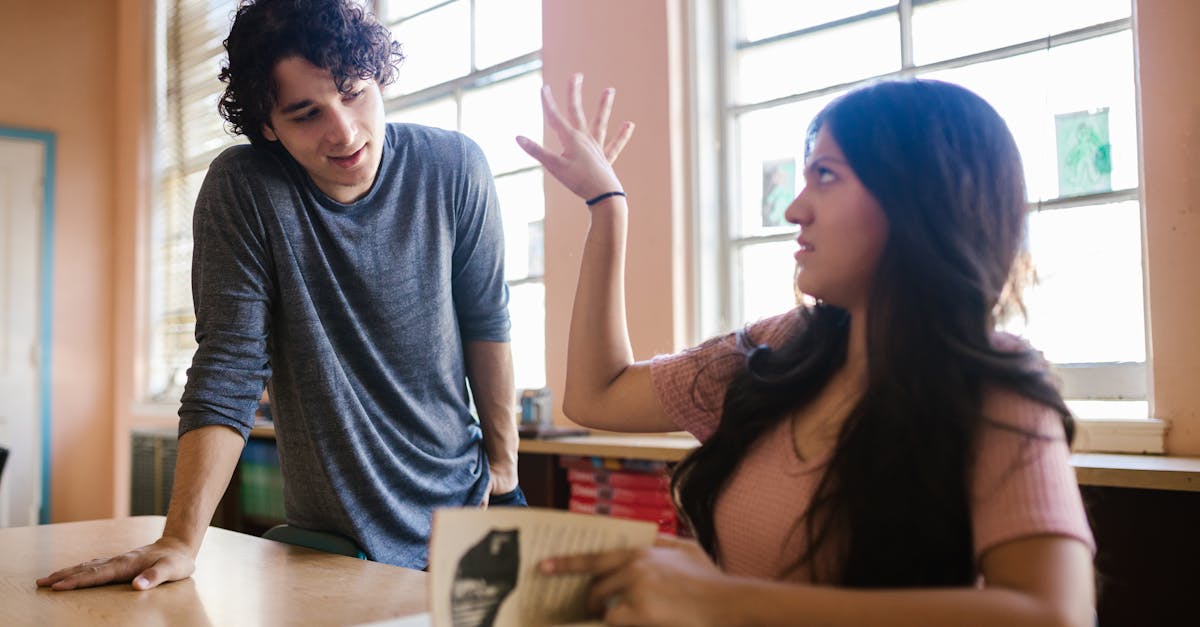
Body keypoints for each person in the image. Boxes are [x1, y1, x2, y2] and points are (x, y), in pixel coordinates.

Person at [516, 76, 1096, 626]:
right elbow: (599, 394)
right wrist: (606, 205)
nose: (795, 209)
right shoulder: (780, 348)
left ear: (916, 196)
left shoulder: (991, 384)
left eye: (825, 176)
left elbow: (1055, 615)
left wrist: (725, 602)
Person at [38, 0, 520, 590]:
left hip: (471, 514)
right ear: (268, 125)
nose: (343, 131)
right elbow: (230, 363)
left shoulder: (454, 167)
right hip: (338, 546)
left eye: (354, 93)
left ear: (380, 78)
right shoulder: (244, 190)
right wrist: (181, 540)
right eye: (306, 112)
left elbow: (486, 321)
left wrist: (503, 466)